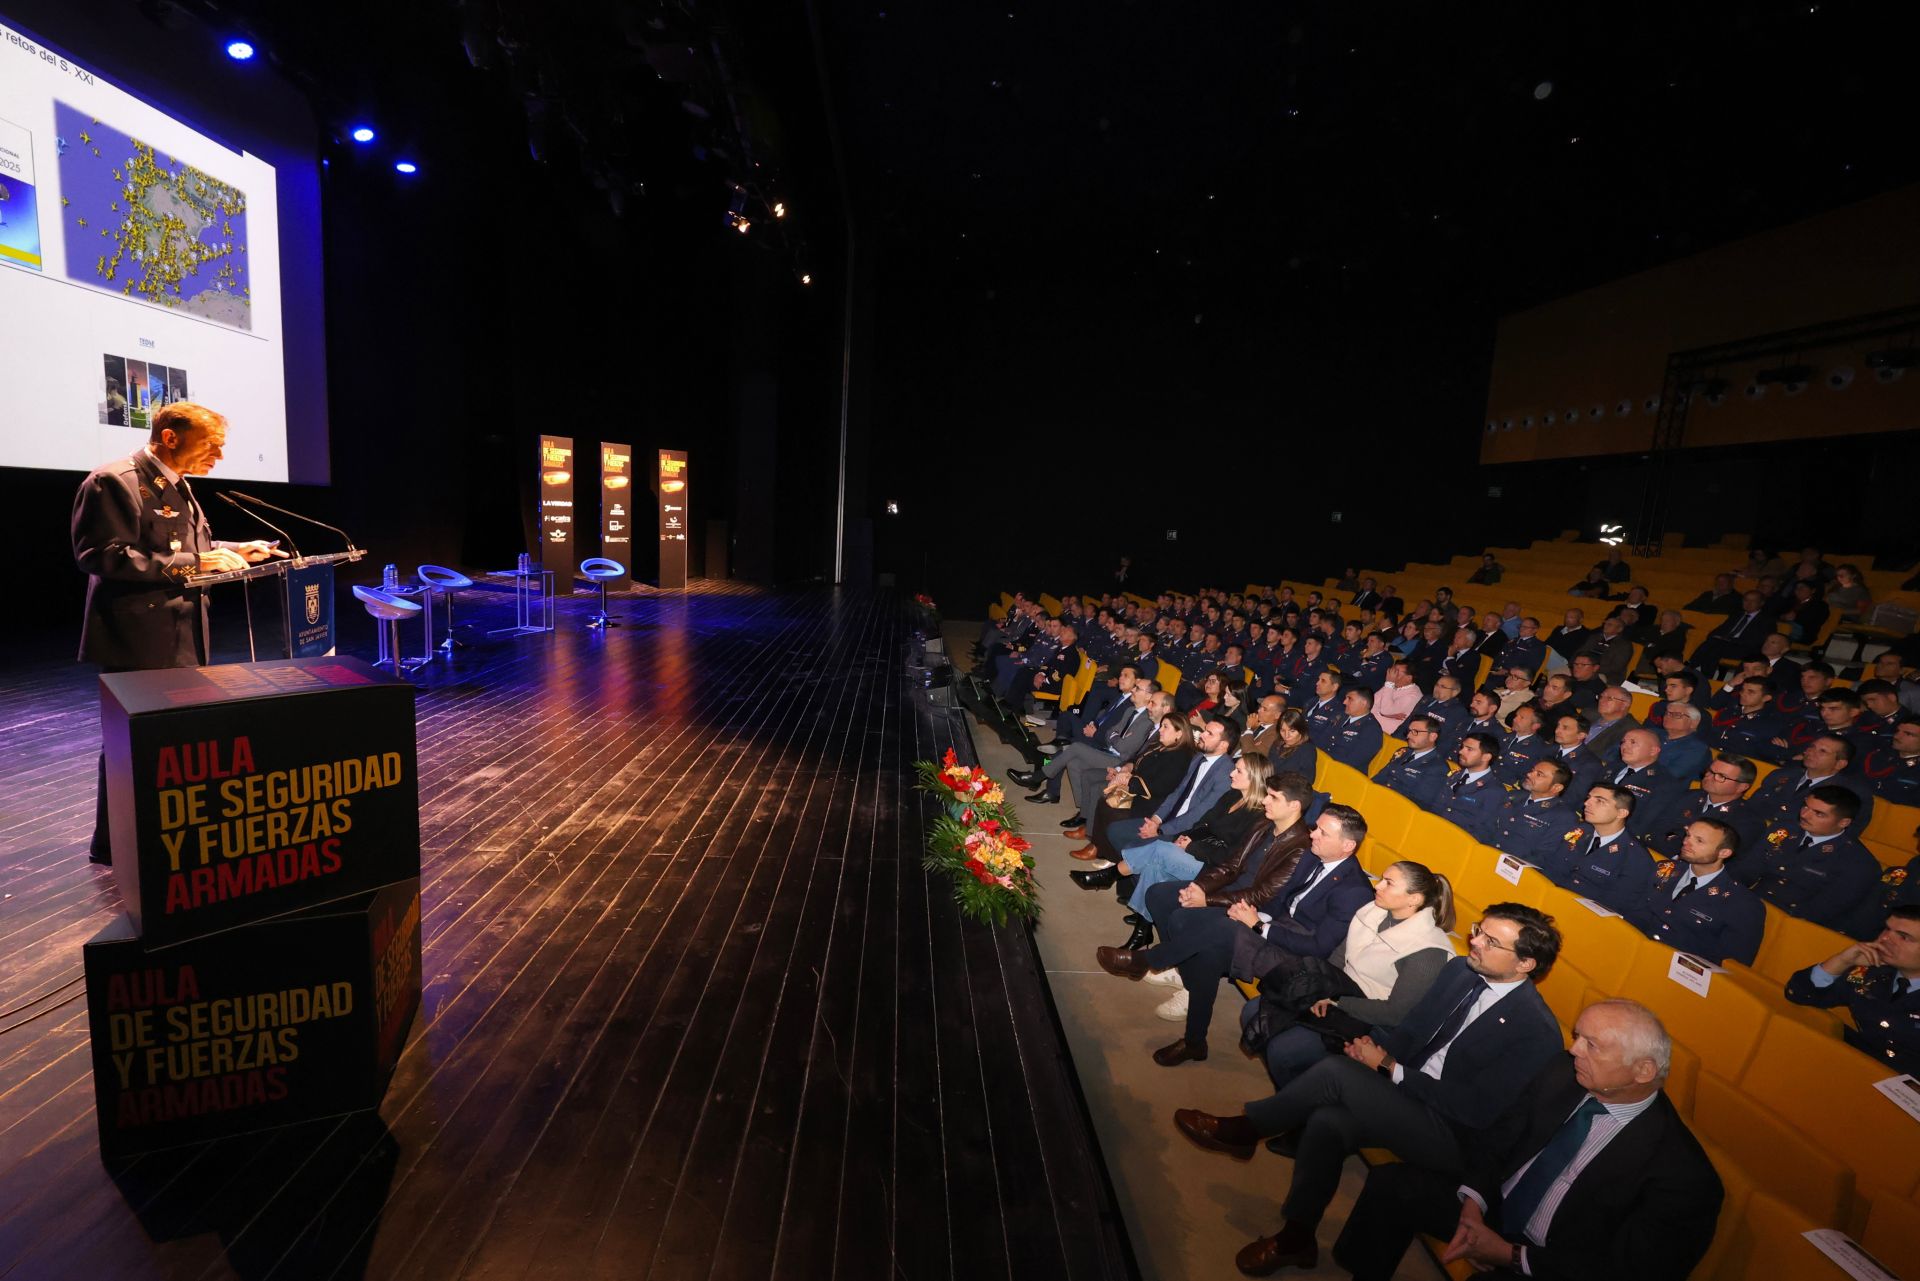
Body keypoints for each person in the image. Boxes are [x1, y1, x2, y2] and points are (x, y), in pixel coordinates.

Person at [1168, 904, 1565, 1274]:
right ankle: (1296, 1238)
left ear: (1526, 963)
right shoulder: (1461, 971)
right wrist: (1376, 1054)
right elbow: (1411, 1033)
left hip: (1453, 1134)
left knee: (1335, 1074)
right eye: (1479, 930)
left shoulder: (1535, 1030)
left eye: (1491, 941)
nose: (1475, 941)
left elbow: (1476, 1111)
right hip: (1406, 1093)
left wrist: (1389, 1069)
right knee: (1327, 1122)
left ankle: (1247, 1129)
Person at [1332, 1000, 1722, 1281]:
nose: (1572, 1050)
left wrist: (1509, 1255)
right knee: (1392, 1185)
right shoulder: (1562, 1073)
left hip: (1555, 1261)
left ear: (1643, 1070)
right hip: (1495, 1210)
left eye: (1592, 1045)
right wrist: (1472, 1205)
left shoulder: (1682, 1175)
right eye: (1577, 1037)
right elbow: (1499, 1139)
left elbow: (1630, 1270)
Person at [73, 402, 287, 864]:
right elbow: (100, 555)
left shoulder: (179, 485)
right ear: (170, 437)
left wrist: (235, 549)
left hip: (185, 632)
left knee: (173, 744)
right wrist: (195, 563)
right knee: (131, 742)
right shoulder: (114, 481)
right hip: (139, 636)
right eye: (212, 446)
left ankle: (158, 836)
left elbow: (192, 549)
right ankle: (115, 846)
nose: (220, 458)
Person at [1097, 788, 1354, 1064]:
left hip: (1288, 950)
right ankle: (1195, 1041)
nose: (1313, 833)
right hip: (1261, 916)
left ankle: (1148, 960)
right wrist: (1203, 889)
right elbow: (1238, 868)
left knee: (1214, 930)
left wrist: (1257, 923)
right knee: (1196, 937)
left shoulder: (1347, 885)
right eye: (1316, 829)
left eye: (1322, 833)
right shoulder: (1312, 854)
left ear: (1347, 845)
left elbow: (1316, 945)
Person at [1240, 861, 1457, 1090]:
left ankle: (1301, 1102)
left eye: (1389, 883)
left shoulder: (1427, 950)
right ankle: (1297, 1085)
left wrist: (1336, 1001)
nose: (1377, 886)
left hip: (1366, 1016)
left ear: (1414, 899)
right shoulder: (1373, 910)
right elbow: (1339, 955)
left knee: (1284, 1051)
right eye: (1382, 878)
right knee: (1252, 1011)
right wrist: (1322, 988)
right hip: (1336, 991)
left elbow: (1395, 1013)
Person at [1785, 906, 1920, 1074]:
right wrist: (1842, 961)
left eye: (1903, 937)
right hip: (1849, 1066)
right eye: (1887, 929)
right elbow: (1799, 995)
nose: (1885, 939)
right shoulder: (1873, 972)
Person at [1737, 785, 1879, 932]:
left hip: (1790, 927)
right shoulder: (1784, 831)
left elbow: (1822, 910)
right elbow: (1746, 870)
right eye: (1805, 806)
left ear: (1843, 822)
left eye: (1819, 814)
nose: (1805, 815)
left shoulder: (1858, 862)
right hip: (1749, 906)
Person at [1629, 817, 1765, 965]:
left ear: (1724, 853)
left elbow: (1730, 964)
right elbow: (1631, 907)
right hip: (1631, 945)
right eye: (1688, 835)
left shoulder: (1743, 903)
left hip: (1675, 969)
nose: (1686, 842)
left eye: (1699, 841)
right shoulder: (1664, 869)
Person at [1067, 709, 1193, 862]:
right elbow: (1138, 759)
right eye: (1161, 726)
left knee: (1109, 810)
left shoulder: (1180, 757)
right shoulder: (1160, 745)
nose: (1160, 730)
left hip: (1151, 804)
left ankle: (1109, 855)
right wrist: (1125, 770)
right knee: (1104, 802)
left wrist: (1127, 781)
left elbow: (1160, 787)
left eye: (1166, 727)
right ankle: (1098, 846)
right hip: (1138, 791)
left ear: (1179, 733)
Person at [1327, 687, 1385, 771]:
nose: (1344, 702)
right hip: (1326, 763)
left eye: (1350, 699)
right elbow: (1322, 738)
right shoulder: (1341, 716)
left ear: (1363, 703)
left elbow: (1353, 761)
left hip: (1343, 772)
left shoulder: (1372, 729)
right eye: (1345, 698)